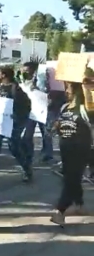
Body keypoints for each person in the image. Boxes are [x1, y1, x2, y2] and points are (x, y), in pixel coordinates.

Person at [51, 82, 92, 226]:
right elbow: (59, 124)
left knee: (71, 180)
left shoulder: (85, 108)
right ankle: (79, 204)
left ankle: (60, 211)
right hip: (65, 148)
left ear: (77, 91)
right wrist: (56, 126)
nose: (66, 91)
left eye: (69, 88)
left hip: (80, 148)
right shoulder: (64, 107)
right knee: (71, 177)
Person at [0, 66, 32, 183]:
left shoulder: (15, 88)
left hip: (12, 124)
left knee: (14, 148)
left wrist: (16, 116)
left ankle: (27, 170)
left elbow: (27, 104)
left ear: (3, 75)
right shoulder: (0, 87)